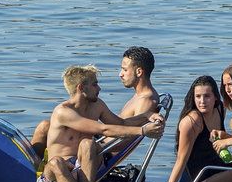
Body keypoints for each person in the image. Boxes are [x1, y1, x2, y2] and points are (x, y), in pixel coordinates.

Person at [40, 65, 165, 182]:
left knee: (88, 144)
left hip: (82, 169)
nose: (99, 88)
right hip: (55, 177)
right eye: (95, 84)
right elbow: (104, 130)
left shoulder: (97, 105)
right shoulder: (63, 112)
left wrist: (145, 116)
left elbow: (120, 124)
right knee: (56, 163)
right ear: (81, 88)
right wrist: (143, 131)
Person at [31, 46, 160, 158]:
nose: (120, 74)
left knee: (53, 129)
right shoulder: (138, 96)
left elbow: (127, 141)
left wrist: (96, 146)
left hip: (103, 149)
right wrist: (146, 116)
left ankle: (36, 174)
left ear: (139, 72)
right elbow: (121, 123)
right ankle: (35, 167)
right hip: (102, 138)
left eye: (125, 70)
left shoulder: (146, 100)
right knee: (45, 126)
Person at [161, 75, 227, 182]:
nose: (202, 101)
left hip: (221, 167)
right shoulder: (192, 121)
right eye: (198, 96)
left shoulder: (220, 109)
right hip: (204, 176)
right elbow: (181, 158)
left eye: (207, 96)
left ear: (215, 97)